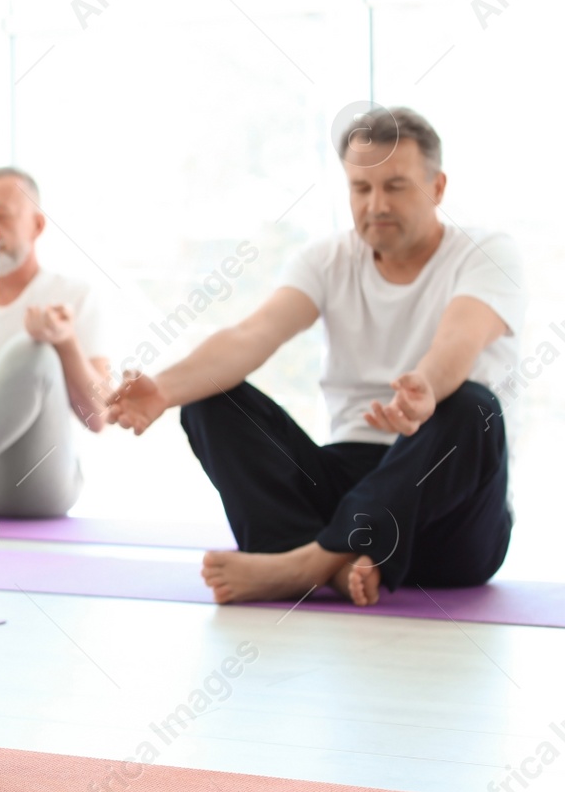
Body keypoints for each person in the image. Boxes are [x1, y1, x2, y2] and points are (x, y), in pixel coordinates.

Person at [105, 107, 525, 606]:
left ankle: (309, 564)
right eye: (361, 188)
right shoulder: (326, 259)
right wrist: (166, 388)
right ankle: (328, 559)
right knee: (210, 398)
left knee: (473, 408)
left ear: (437, 188)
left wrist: (426, 388)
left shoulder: (487, 252)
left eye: (395, 186)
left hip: (448, 521)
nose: (376, 204)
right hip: (347, 481)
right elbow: (252, 334)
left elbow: (460, 337)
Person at [0, 167, 113, 520]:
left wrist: (65, 343)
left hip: (32, 482)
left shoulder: (73, 295)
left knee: (34, 352)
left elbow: (100, 417)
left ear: (37, 226)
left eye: (0, 215)